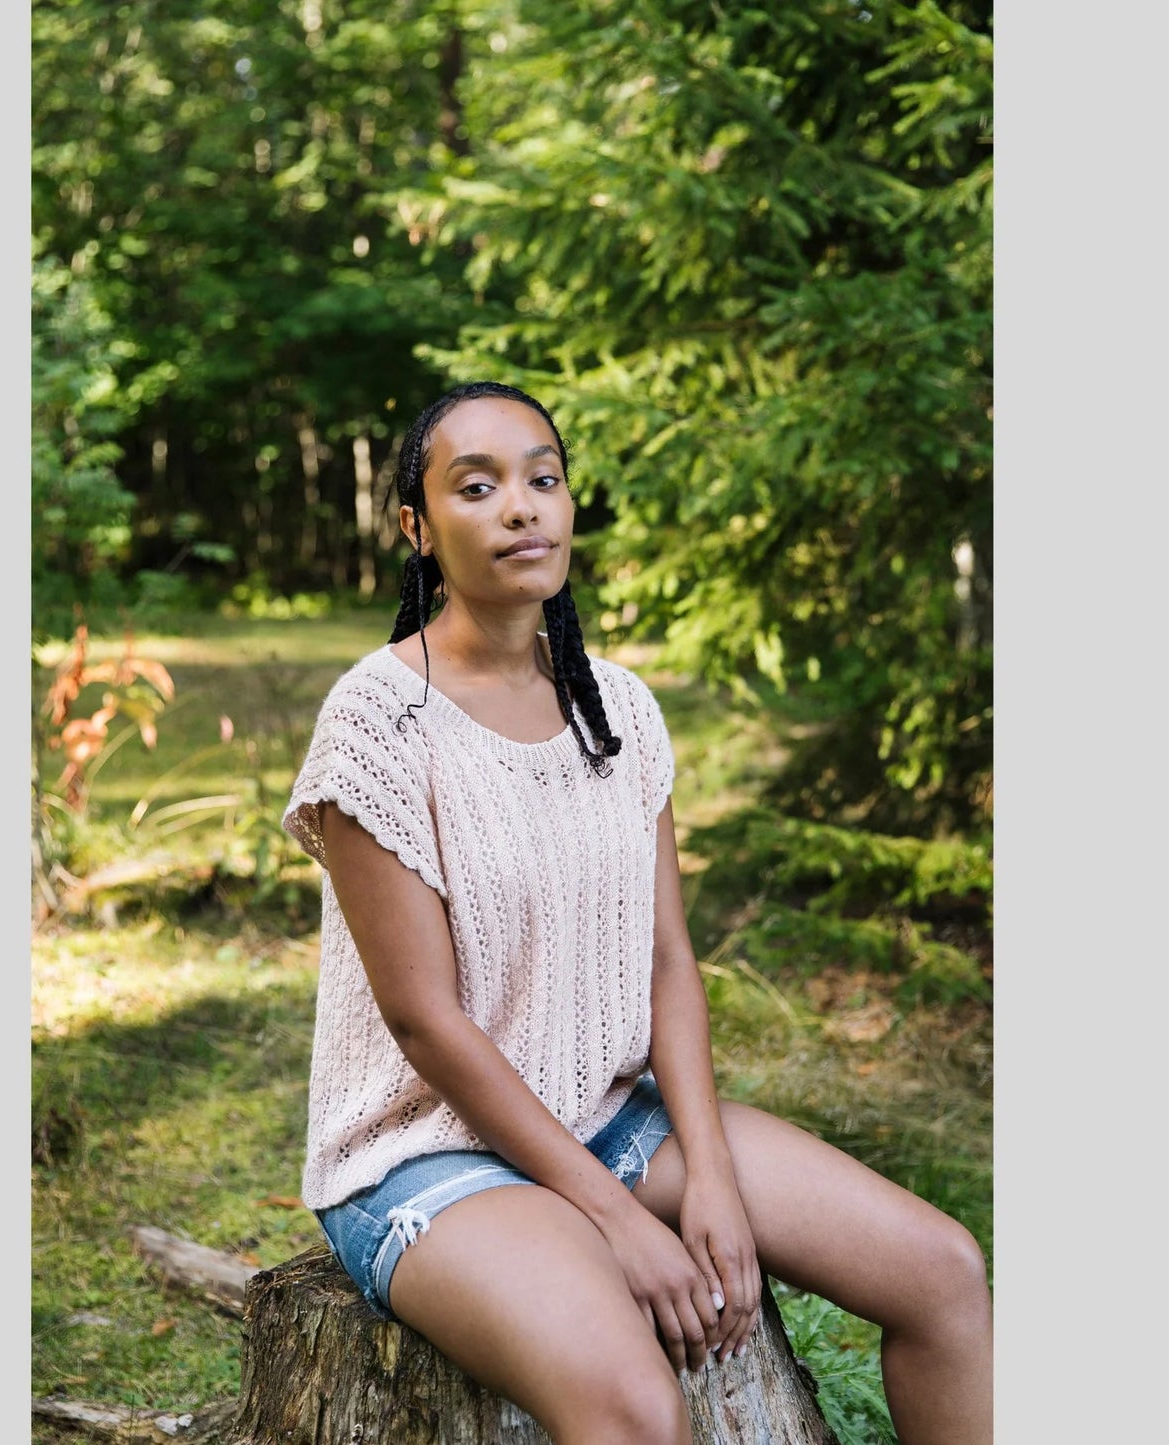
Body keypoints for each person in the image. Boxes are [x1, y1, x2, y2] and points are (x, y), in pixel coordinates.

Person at [281, 381, 992, 1445]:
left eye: (543, 477)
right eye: (476, 487)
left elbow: (665, 960)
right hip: (423, 1148)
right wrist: (615, 1218)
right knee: (634, 1406)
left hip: (610, 1114)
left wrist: (710, 1176)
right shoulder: (376, 723)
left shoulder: (614, 707)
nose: (520, 505)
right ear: (416, 530)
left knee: (940, 1269)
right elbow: (424, 1021)